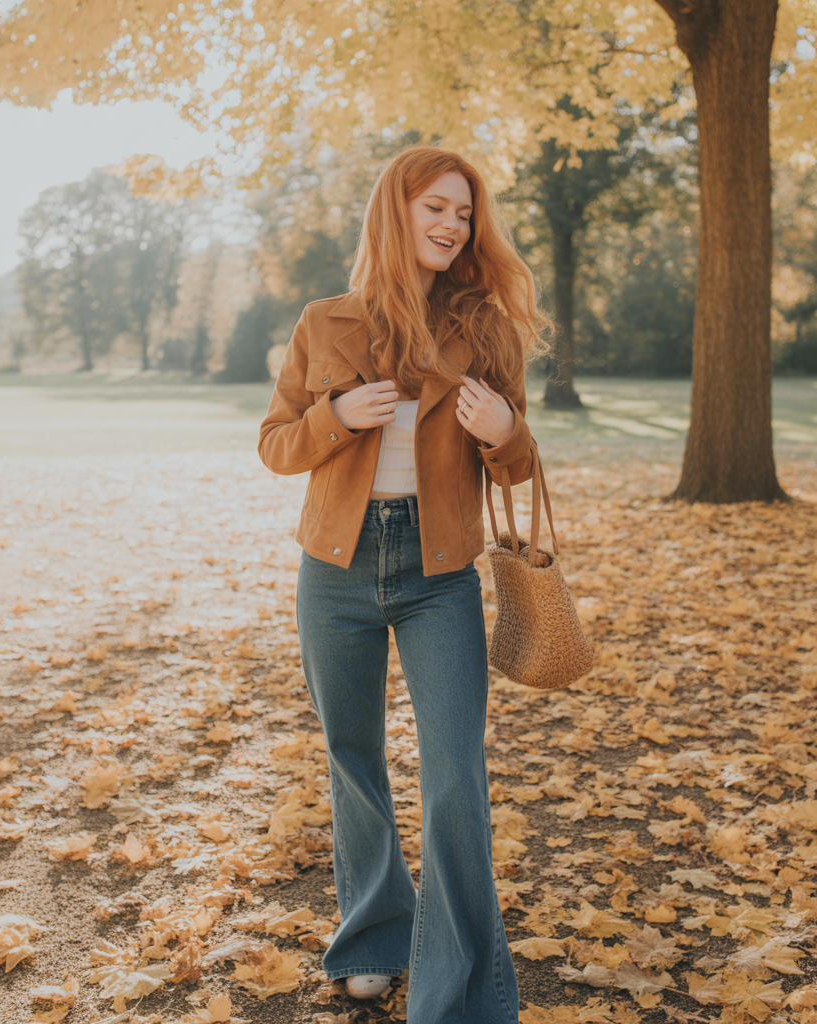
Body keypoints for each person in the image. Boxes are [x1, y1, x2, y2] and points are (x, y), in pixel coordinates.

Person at [258, 146, 550, 1024]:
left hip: (439, 575)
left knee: (456, 774)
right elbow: (276, 445)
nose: (453, 225)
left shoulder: (487, 327)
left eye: (464, 212)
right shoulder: (325, 321)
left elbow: (517, 468)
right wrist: (335, 416)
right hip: (336, 571)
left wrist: (503, 430)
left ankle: (457, 988)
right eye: (436, 207)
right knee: (353, 763)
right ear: (396, 211)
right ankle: (376, 941)